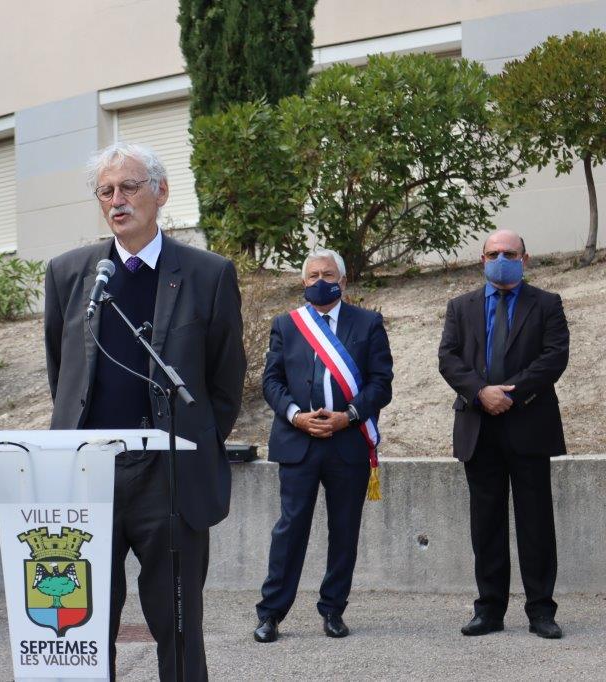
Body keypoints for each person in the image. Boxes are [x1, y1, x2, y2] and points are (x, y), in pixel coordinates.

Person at [44, 142, 246, 680]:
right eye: (106, 191)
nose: (117, 200)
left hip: (169, 475)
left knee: (177, 625)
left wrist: (191, 438)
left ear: (161, 192)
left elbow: (225, 381)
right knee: (81, 624)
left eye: (129, 187)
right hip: (88, 473)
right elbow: (63, 376)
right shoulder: (68, 274)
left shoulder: (207, 274)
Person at [253, 248, 393, 643]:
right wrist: (296, 415)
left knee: (344, 530)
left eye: (327, 274)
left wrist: (349, 416)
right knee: (290, 529)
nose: (320, 281)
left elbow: (381, 383)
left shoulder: (367, 323)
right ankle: (271, 614)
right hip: (298, 441)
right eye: (313, 275)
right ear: (303, 282)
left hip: (347, 442)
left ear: (343, 281)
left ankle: (333, 610)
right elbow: (271, 381)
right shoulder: (286, 324)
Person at [438, 229, 569, 639]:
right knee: (486, 523)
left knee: (536, 523)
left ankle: (541, 611)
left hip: (528, 424)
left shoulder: (547, 304)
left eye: (509, 253)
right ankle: (489, 609)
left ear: (524, 260)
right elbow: (448, 358)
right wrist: (481, 392)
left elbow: (554, 357)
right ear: (482, 260)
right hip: (479, 427)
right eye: (493, 253)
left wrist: (511, 394)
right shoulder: (460, 307)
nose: (501, 259)